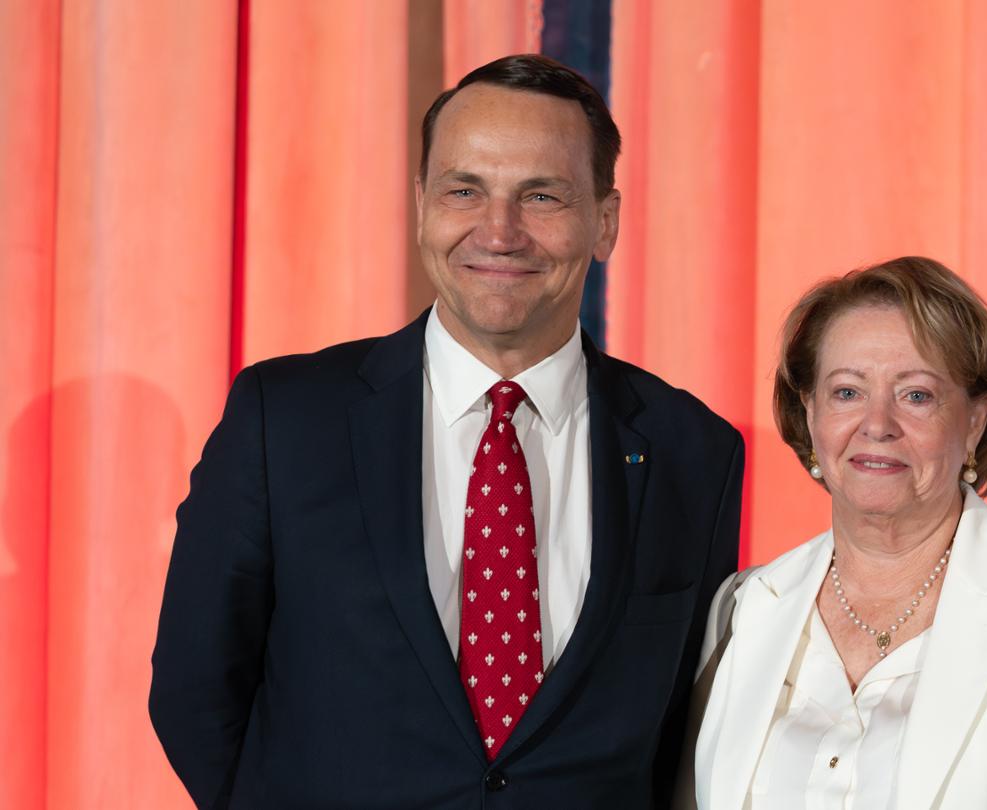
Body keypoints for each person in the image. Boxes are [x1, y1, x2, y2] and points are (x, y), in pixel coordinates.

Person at [149, 54, 743, 808]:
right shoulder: (285, 419)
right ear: (423, 204)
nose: (500, 232)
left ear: (605, 221)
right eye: (466, 190)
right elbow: (194, 689)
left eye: (542, 195)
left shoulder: (694, 450)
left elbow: (688, 735)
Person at [683, 256, 987, 808]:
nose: (877, 424)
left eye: (916, 395)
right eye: (846, 392)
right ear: (808, 413)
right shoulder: (743, 606)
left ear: (976, 420)